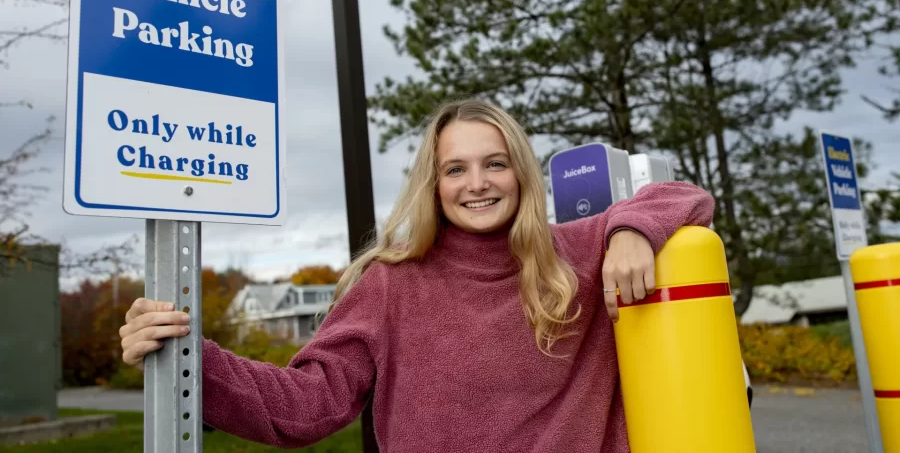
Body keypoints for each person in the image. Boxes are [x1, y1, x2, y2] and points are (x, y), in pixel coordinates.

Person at [119, 99, 714, 452]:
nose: (476, 183)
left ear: (522, 174)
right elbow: (308, 404)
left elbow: (683, 194)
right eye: (456, 168)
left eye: (495, 164)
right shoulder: (391, 282)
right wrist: (189, 355)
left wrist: (633, 229)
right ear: (434, 183)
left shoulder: (578, 252)